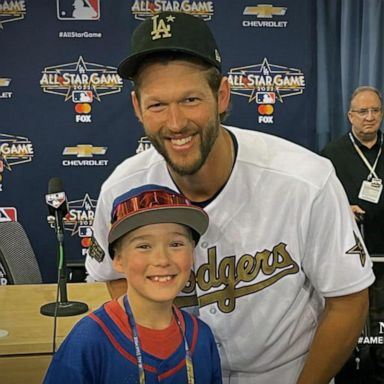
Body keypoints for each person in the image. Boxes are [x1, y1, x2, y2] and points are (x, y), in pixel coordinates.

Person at [85, 12, 375, 384]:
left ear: (221, 95)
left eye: (190, 99)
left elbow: (349, 300)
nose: (175, 123)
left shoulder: (305, 180)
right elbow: (113, 277)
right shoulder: (122, 189)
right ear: (138, 108)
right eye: (157, 105)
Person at [44, 184, 222, 383]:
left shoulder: (202, 337)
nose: (162, 259)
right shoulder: (89, 341)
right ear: (118, 259)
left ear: (192, 255)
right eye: (144, 246)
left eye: (176, 244)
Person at [321, 86, 384, 383]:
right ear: (350, 116)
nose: (370, 117)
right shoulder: (331, 155)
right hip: (351, 258)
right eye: (363, 111)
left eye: (375, 110)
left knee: (381, 329)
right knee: (352, 332)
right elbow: (320, 202)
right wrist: (342, 207)